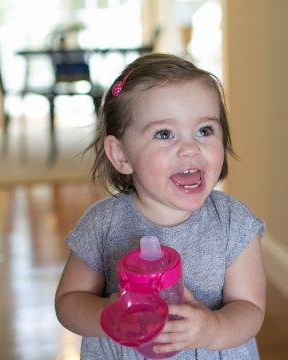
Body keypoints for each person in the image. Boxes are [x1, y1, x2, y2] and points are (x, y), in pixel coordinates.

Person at [55, 53, 266, 359]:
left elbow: (251, 308)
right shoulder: (102, 224)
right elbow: (69, 302)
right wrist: (110, 313)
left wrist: (214, 328)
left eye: (205, 130)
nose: (191, 148)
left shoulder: (233, 222)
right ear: (122, 155)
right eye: (164, 134)